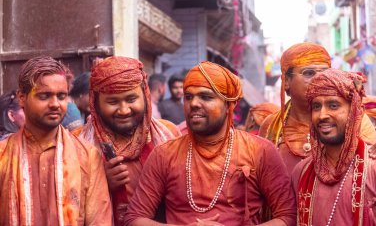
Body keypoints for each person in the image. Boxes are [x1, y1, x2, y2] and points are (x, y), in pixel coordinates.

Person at [124, 61, 296, 226]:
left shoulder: (260, 151)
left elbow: (288, 217)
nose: (194, 104)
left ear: (229, 104)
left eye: (206, 97)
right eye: (188, 97)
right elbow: (134, 218)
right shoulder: (165, 154)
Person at [0, 56, 112, 225]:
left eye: (61, 96)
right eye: (44, 96)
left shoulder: (87, 157)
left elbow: (99, 221)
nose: (55, 104)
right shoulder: (3, 156)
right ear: (22, 98)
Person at [80, 56, 181, 226]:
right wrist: (100, 184)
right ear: (95, 103)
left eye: (131, 99)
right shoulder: (79, 146)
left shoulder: (169, 134)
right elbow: (66, 209)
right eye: (112, 101)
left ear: (145, 95)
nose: (124, 110)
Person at [259, 42, 376, 174]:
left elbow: (372, 164)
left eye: (324, 73)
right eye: (309, 73)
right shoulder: (271, 126)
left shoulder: (355, 119)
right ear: (286, 81)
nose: (319, 79)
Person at [292, 68, 376, 225]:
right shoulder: (301, 172)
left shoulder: (375, 167)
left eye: (333, 106)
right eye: (317, 107)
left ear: (354, 111)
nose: (322, 115)